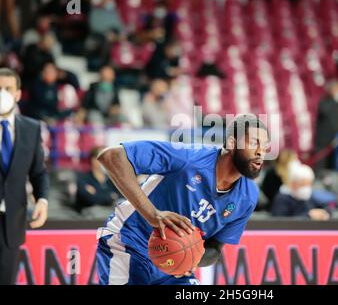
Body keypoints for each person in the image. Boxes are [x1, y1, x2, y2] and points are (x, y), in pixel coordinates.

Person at [96, 114, 269, 285]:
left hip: (171, 265)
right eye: (254, 143)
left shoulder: (248, 197)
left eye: (265, 146)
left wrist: (193, 259)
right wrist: (152, 214)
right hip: (129, 241)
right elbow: (111, 156)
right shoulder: (189, 157)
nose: (261, 152)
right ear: (232, 143)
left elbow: (215, 248)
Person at [0, 68, 49, 284]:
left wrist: (43, 200)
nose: (2, 93)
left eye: (8, 89)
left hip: (11, 221)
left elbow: (38, 172)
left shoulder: (32, 128)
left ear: (18, 94)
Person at [314, 80, 338, 171]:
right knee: (321, 165)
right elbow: (324, 111)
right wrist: (334, 100)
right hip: (324, 141)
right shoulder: (324, 101)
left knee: (335, 165)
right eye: (337, 89)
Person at [75, 146, 120, 213]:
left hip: (109, 212)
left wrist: (96, 193)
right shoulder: (83, 178)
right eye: (102, 158)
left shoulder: (112, 179)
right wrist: (110, 197)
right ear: (93, 159)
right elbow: (89, 199)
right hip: (88, 215)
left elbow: (120, 197)